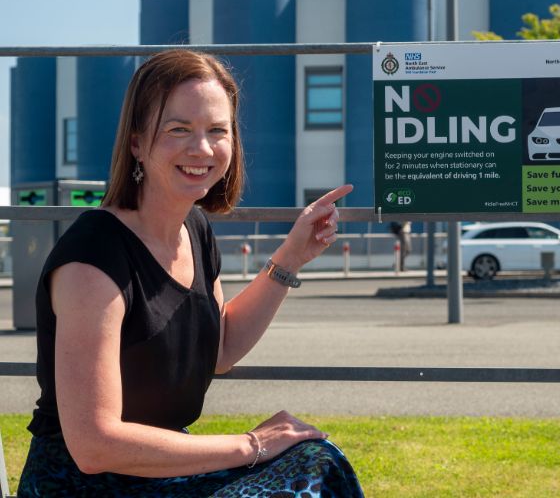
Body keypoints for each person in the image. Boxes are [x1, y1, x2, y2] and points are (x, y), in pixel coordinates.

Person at [18, 50, 363, 497]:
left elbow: (220, 349)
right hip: (86, 484)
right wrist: (252, 444)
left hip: (162, 472)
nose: (201, 148)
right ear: (138, 143)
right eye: (178, 129)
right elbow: (94, 445)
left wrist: (291, 258)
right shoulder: (94, 254)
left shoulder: (194, 228)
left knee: (317, 460)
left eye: (217, 131)